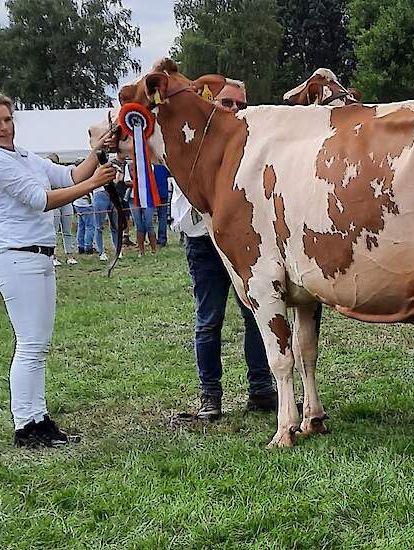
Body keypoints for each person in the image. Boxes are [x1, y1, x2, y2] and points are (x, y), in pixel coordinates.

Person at [0, 85, 116, 448]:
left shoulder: (22, 156)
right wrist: (95, 182)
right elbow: (40, 200)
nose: (5, 127)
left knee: (38, 345)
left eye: (7, 119)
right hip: (17, 257)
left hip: (37, 256)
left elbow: (68, 177)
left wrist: (96, 153)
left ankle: (37, 417)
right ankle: (26, 425)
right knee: (31, 345)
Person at [172, 78, 276, 420]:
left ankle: (262, 390)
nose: (234, 110)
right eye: (228, 103)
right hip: (204, 242)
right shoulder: (189, 144)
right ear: (209, 102)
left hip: (242, 241)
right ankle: (210, 397)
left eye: (241, 105)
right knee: (208, 319)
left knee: (256, 313)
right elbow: (188, 207)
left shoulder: (251, 145)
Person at [46, 154, 77, 266]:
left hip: (66, 202)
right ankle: (53, 256)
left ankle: (69, 255)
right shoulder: (45, 175)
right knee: (54, 231)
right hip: (54, 203)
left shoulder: (61, 172)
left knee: (67, 231)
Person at [154, 164, 171, 247]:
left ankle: (152, 238)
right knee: (162, 216)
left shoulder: (147, 164)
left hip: (152, 194)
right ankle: (162, 239)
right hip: (163, 193)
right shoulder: (163, 166)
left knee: (148, 217)